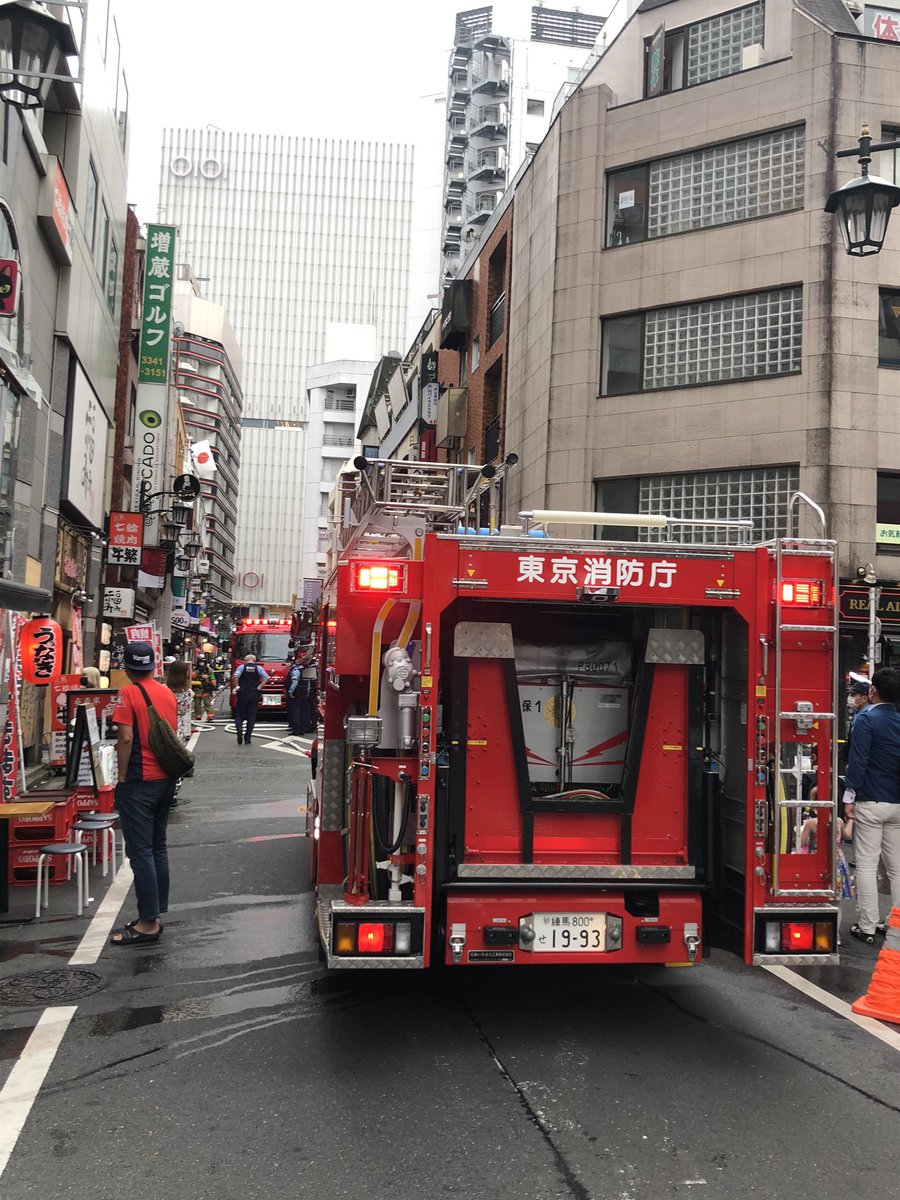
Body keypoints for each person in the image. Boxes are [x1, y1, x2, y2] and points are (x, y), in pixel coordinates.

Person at [109, 641, 178, 946]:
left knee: (140, 853)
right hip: (165, 779)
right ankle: (154, 913)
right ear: (153, 666)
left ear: (127, 667)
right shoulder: (166, 692)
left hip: (139, 781)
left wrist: (122, 777)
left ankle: (148, 922)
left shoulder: (128, 693)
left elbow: (125, 738)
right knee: (157, 848)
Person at [842, 667, 900, 944]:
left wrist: (849, 796)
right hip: (896, 803)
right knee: (896, 868)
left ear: (873, 690)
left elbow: (859, 761)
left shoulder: (865, 719)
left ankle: (866, 925)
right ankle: (895, 924)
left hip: (870, 799)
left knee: (865, 864)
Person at [165, 660, 194, 806]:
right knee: (178, 760)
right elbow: (184, 710)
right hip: (180, 727)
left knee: (164, 759)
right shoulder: (189, 693)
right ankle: (173, 793)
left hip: (165, 725)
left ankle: (164, 791)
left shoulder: (164, 690)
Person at [232, 653, 269, 745]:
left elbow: (235, 676)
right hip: (254, 694)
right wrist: (259, 688)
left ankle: (239, 729)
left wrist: (237, 687)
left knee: (239, 715)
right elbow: (266, 678)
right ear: (254, 660)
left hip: (243, 693)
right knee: (251, 717)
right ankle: (247, 738)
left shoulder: (241, 667)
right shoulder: (259, 668)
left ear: (245, 660)